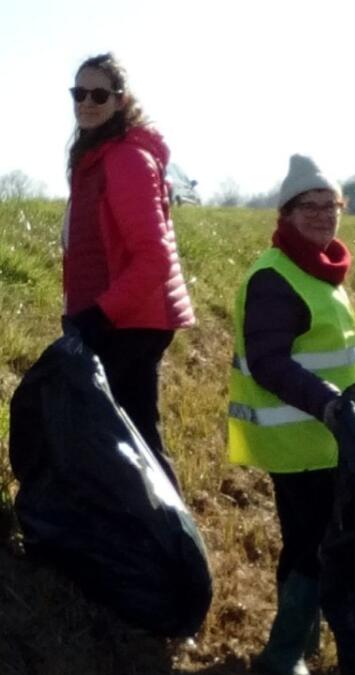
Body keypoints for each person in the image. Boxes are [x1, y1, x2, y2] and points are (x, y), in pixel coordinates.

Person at [227, 154, 355, 675]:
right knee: (311, 546)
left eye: (333, 205)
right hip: (298, 440)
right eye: (311, 205)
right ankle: (284, 655)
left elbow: (334, 351)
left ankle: (302, 644)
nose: (324, 215)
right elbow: (269, 362)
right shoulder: (274, 277)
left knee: (317, 543)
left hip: (331, 436)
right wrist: (329, 402)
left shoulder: (323, 269)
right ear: (286, 213)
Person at [63, 53, 195, 485]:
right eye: (79, 93)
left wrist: (99, 316)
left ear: (121, 100)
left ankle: (154, 524)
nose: (87, 102)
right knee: (134, 438)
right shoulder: (99, 155)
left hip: (127, 322)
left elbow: (153, 258)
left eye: (99, 94)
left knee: (116, 441)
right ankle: (156, 525)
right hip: (121, 318)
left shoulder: (126, 159)